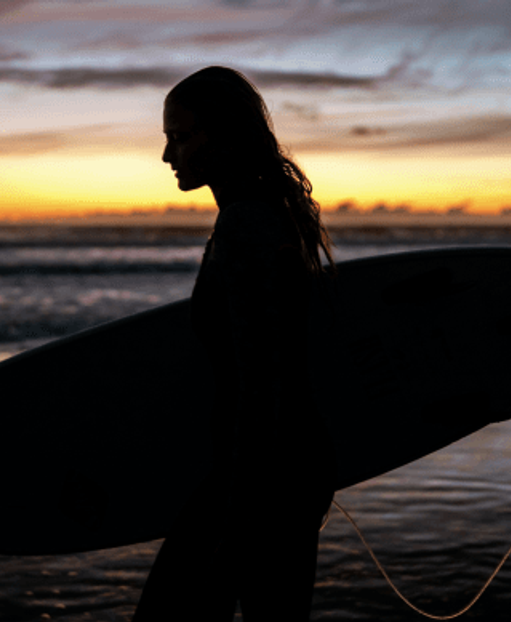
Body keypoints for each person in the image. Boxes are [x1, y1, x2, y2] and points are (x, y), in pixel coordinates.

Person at [133, 66, 337, 622]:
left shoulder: (247, 226)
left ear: (221, 134)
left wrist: (239, 514)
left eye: (180, 136)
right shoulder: (262, 217)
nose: (168, 155)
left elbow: (262, 380)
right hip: (280, 468)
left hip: (261, 479)